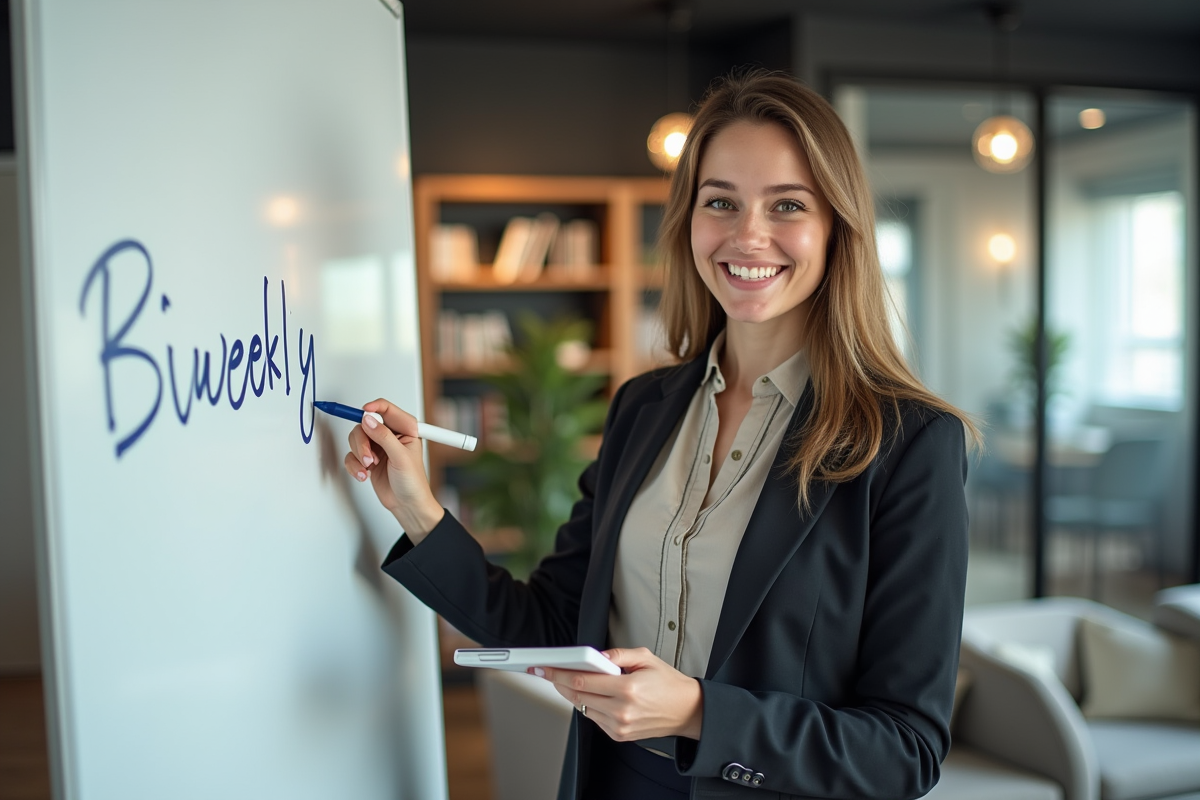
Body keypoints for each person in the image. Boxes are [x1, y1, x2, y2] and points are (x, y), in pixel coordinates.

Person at [343, 69, 976, 800]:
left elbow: (906, 749)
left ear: (838, 226)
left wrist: (703, 714)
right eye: (721, 202)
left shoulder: (911, 443)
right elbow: (553, 620)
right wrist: (417, 508)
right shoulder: (643, 408)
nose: (748, 235)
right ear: (688, 221)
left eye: (788, 205)